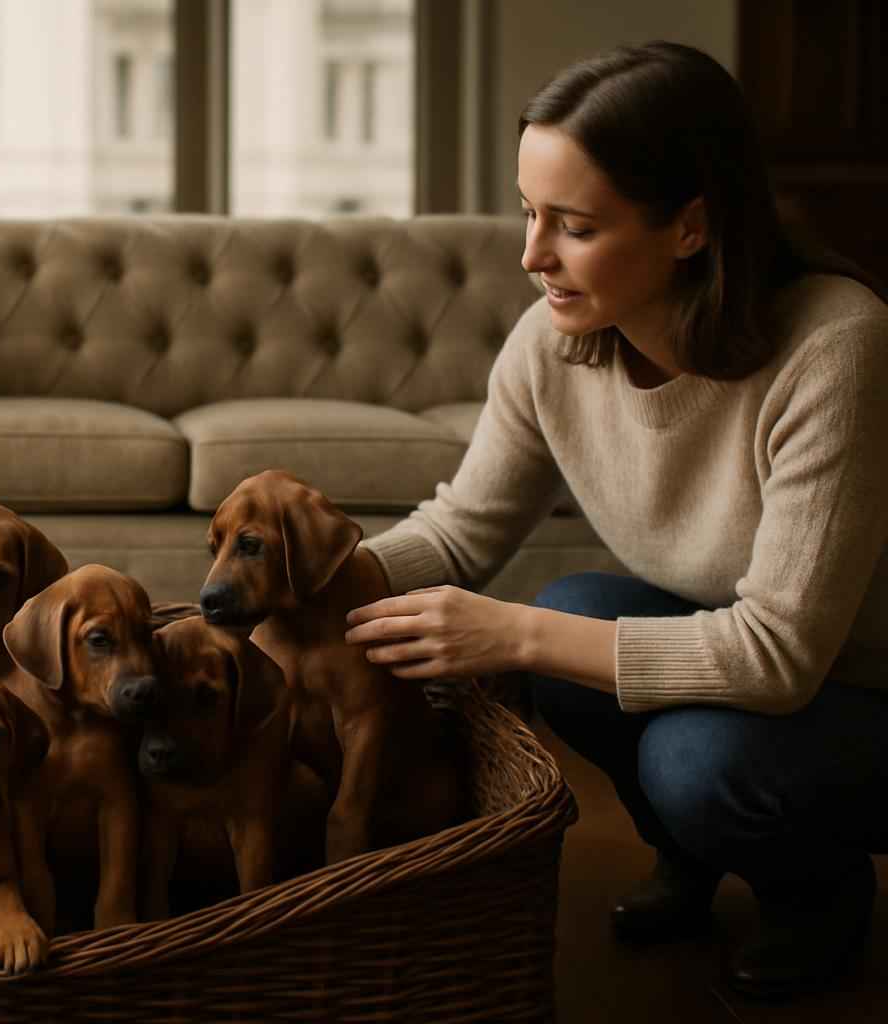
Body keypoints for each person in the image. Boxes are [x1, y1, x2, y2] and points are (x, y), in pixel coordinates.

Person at [344, 40, 888, 1002]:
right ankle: (693, 852)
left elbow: (779, 655)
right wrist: (304, 583)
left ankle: (820, 891)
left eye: (575, 226)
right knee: (576, 609)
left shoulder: (836, 346)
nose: (531, 255)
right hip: (751, 665)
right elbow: (464, 529)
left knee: (688, 756)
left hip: (861, 689)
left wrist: (514, 635)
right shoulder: (554, 344)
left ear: (690, 228)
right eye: (529, 212)